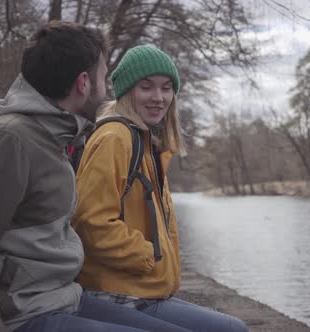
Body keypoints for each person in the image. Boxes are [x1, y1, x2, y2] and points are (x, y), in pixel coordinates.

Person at [0, 22, 190, 332]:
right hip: (24, 314)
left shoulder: (51, 139)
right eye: (102, 77)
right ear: (84, 83)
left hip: (61, 299)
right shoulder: (8, 141)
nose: (106, 89)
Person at [73, 45, 248, 332]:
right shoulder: (115, 138)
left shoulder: (147, 143)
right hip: (115, 292)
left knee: (232, 328)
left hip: (143, 289)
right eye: (146, 87)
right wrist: (150, 255)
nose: (158, 97)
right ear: (128, 90)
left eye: (166, 88)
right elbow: (90, 222)